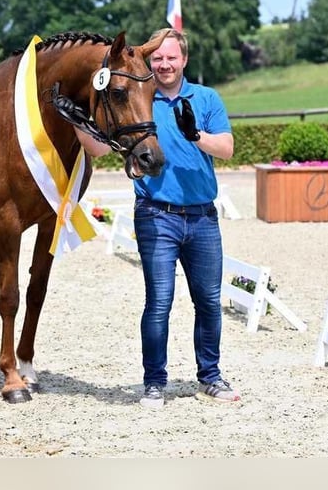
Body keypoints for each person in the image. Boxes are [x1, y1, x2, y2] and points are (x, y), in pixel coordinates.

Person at [133, 27, 239, 408]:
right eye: (157, 58)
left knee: (209, 301)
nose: (164, 64)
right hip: (156, 216)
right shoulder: (140, 98)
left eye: (171, 57)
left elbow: (226, 148)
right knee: (159, 301)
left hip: (202, 218)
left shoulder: (206, 98)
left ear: (184, 60)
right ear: (150, 62)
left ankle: (210, 376)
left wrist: (196, 135)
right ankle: (154, 382)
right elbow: (100, 146)